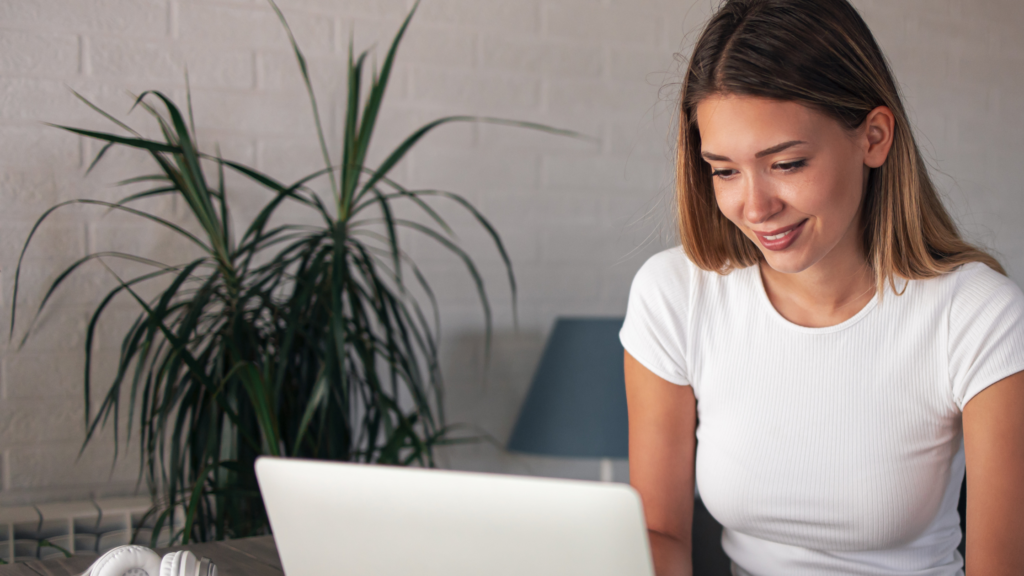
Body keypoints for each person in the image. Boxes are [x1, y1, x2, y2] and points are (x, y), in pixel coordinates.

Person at [618, 0, 1024, 574]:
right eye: (725, 170)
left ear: (874, 138)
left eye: (787, 164)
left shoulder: (978, 316)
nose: (755, 208)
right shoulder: (674, 295)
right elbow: (658, 537)